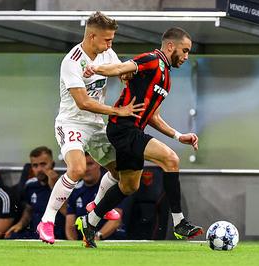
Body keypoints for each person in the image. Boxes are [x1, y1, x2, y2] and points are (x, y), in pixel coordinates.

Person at [77, 27, 203, 248]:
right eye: (184, 51)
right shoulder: (152, 59)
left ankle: (90, 221)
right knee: (171, 159)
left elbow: (152, 115)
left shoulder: (166, 77)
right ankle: (179, 223)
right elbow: (122, 67)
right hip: (123, 128)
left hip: (131, 130)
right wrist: (95, 68)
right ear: (170, 46)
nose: (186, 57)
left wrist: (178, 135)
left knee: (129, 187)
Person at [37, 11, 144, 244]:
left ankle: (97, 204)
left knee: (120, 171)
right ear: (92, 36)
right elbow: (83, 102)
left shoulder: (107, 54)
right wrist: (119, 112)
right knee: (77, 169)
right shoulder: (72, 61)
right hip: (71, 122)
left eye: (112, 40)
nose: (110, 44)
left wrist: (127, 77)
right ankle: (46, 220)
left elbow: (120, 70)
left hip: (96, 125)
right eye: (107, 40)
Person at [5, 146, 66, 240]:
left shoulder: (65, 185)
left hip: (57, 235)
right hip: (34, 235)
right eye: (35, 165)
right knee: (10, 237)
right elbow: (29, 210)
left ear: (52, 164)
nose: (39, 169)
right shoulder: (30, 185)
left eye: (43, 164)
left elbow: (68, 213)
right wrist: (20, 224)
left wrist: (54, 187)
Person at [66, 153, 124, 241]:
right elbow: (70, 225)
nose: (86, 169)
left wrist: (96, 237)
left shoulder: (111, 185)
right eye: (83, 165)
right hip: (84, 241)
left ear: (99, 164)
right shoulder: (75, 190)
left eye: (90, 164)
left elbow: (116, 220)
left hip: (109, 240)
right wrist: (74, 244)